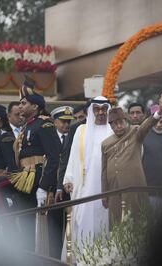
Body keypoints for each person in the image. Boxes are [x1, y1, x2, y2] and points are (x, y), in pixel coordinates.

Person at [9, 77, 61, 251]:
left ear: (35, 106)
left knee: (39, 229)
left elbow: (54, 157)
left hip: (37, 179)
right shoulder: (27, 126)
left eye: (24, 103)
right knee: (26, 227)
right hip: (24, 177)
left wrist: (45, 186)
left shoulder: (44, 125)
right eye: (20, 103)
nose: (20, 106)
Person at [101, 94, 162, 226]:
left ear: (126, 121)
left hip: (133, 188)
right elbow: (104, 170)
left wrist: (158, 112)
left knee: (137, 223)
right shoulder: (106, 143)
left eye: (121, 122)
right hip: (114, 191)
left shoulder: (135, 133)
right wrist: (104, 194)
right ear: (111, 126)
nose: (118, 126)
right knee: (116, 224)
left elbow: (146, 126)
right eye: (115, 124)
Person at [62, 96, 113, 260]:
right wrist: (68, 178)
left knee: (103, 222)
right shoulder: (81, 130)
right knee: (82, 221)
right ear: (91, 111)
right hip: (83, 186)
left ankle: (102, 259)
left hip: (106, 187)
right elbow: (73, 157)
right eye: (97, 109)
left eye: (104, 109)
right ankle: (82, 259)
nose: (101, 112)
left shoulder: (113, 130)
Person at [48, 105, 74, 259]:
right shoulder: (48, 138)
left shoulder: (73, 136)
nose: (66, 125)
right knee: (55, 227)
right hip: (52, 188)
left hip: (68, 187)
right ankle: (54, 259)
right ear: (54, 122)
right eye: (62, 121)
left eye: (68, 122)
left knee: (70, 225)